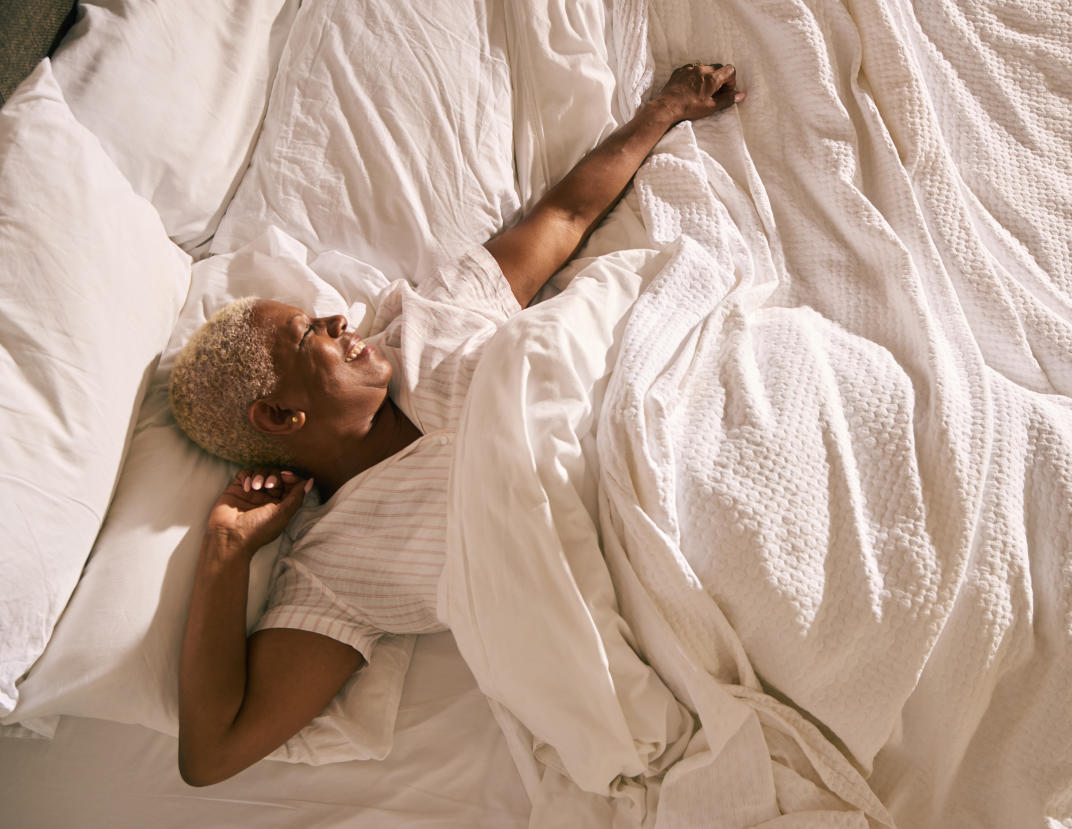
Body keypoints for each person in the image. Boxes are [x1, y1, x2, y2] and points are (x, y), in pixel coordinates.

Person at [171, 63, 745, 786]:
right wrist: (225, 551)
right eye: (308, 333)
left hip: (675, 411)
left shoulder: (432, 319)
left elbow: (563, 219)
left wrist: (663, 110)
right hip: (651, 564)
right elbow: (211, 751)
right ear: (282, 414)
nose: (338, 318)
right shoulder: (335, 571)